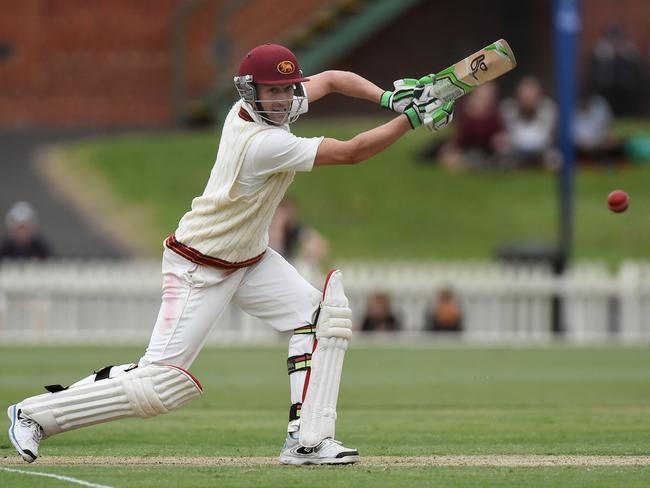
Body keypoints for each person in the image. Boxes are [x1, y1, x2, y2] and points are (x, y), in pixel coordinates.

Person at [6, 43, 454, 466]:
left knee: (322, 320)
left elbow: (334, 78)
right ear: (250, 92)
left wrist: (392, 99)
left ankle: (307, 441)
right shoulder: (262, 143)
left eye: (286, 90)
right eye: (271, 91)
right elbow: (353, 152)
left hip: (251, 259)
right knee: (161, 384)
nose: (280, 100)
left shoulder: (275, 108)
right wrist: (411, 120)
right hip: (199, 266)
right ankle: (33, 415)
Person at [438, 83, 508, 171]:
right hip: (468, 150)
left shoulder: (495, 116)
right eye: (481, 98)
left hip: (487, 152)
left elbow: (499, 136)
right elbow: (460, 138)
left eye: (487, 98)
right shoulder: (466, 115)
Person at [500, 76, 559, 170]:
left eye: (531, 97)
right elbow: (507, 138)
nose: (528, 101)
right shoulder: (508, 110)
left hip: (542, 154)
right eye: (524, 98)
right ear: (517, 97)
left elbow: (547, 139)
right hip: (515, 154)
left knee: (555, 159)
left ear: (539, 96)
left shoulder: (548, 109)